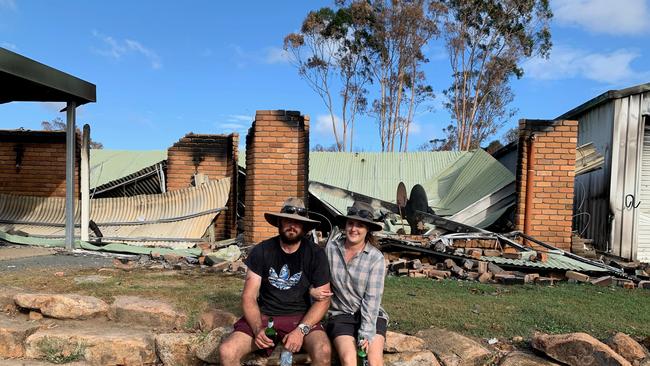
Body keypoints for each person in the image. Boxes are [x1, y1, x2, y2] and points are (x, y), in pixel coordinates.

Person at [219, 198, 332, 366]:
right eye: (288, 220)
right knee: (227, 351)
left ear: (305, 227)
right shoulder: (262, 250)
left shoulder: (315, 254)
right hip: (265, 316)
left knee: (323, 351)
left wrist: (301, 331)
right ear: (279, 222)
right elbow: (249, 296)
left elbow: (324, 300)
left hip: (300, 316)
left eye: (298, 222)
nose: (292, 226)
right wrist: (257, 329)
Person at [312, 201, 389, 366]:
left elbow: (372, 299)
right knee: (349, 360)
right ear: (345, 225)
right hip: (341, 314)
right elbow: (315, 276)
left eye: (360, 225)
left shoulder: (375, 258)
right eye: (351, 224)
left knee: (374, 360)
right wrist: (311, 290)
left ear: (367, 229)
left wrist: (366, 333)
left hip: (370, 315)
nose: (354, 229)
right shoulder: (331, 249)